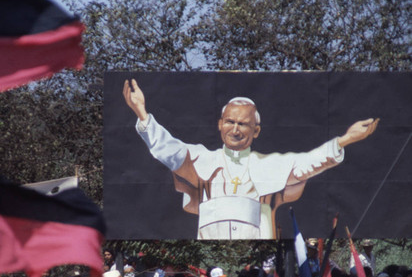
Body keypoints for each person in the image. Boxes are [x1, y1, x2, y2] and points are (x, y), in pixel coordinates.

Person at [122, 79, 379, 239]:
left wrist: (345, 140)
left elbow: (308, 163)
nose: (236, 130)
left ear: (255, 131)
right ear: (220, 125)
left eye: (243, 124)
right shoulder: (201, 157)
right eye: (230, 122)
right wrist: (142, 113)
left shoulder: (268, 164)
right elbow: (168, 150)